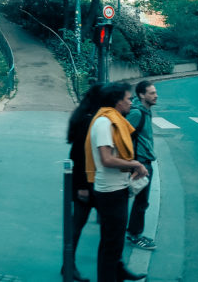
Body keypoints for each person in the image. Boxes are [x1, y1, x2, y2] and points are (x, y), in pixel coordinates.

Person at [85, 82, 149, 282]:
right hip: (110, 191)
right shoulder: (105, 122)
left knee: (114, 239)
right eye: (129, 99)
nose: (132, 102)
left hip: (117, 188)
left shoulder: (114, 120)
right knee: (110, 242)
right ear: (117, 100)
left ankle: (118, 271)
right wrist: (135, 164)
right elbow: (106, 159)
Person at [64, 82, 104, 282]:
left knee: (105, 225)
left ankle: (68, 266)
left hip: (91, 181)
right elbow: (78, 155)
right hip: (87, 183)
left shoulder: (85, 115)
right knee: (78, 224)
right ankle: (68, 267)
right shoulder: (89, 120)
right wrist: (81, 187)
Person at [125, 81, 158, 251]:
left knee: (139, 200)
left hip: (144, 162)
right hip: (140, 164)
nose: (156, 95)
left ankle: (132, 231)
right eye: (151, 93)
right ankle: (134, 235)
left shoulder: (145, 111)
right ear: (142, 95)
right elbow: (121, 136)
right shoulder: (137, 113)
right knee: (141, 201)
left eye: (155, 92)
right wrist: (133, 163)